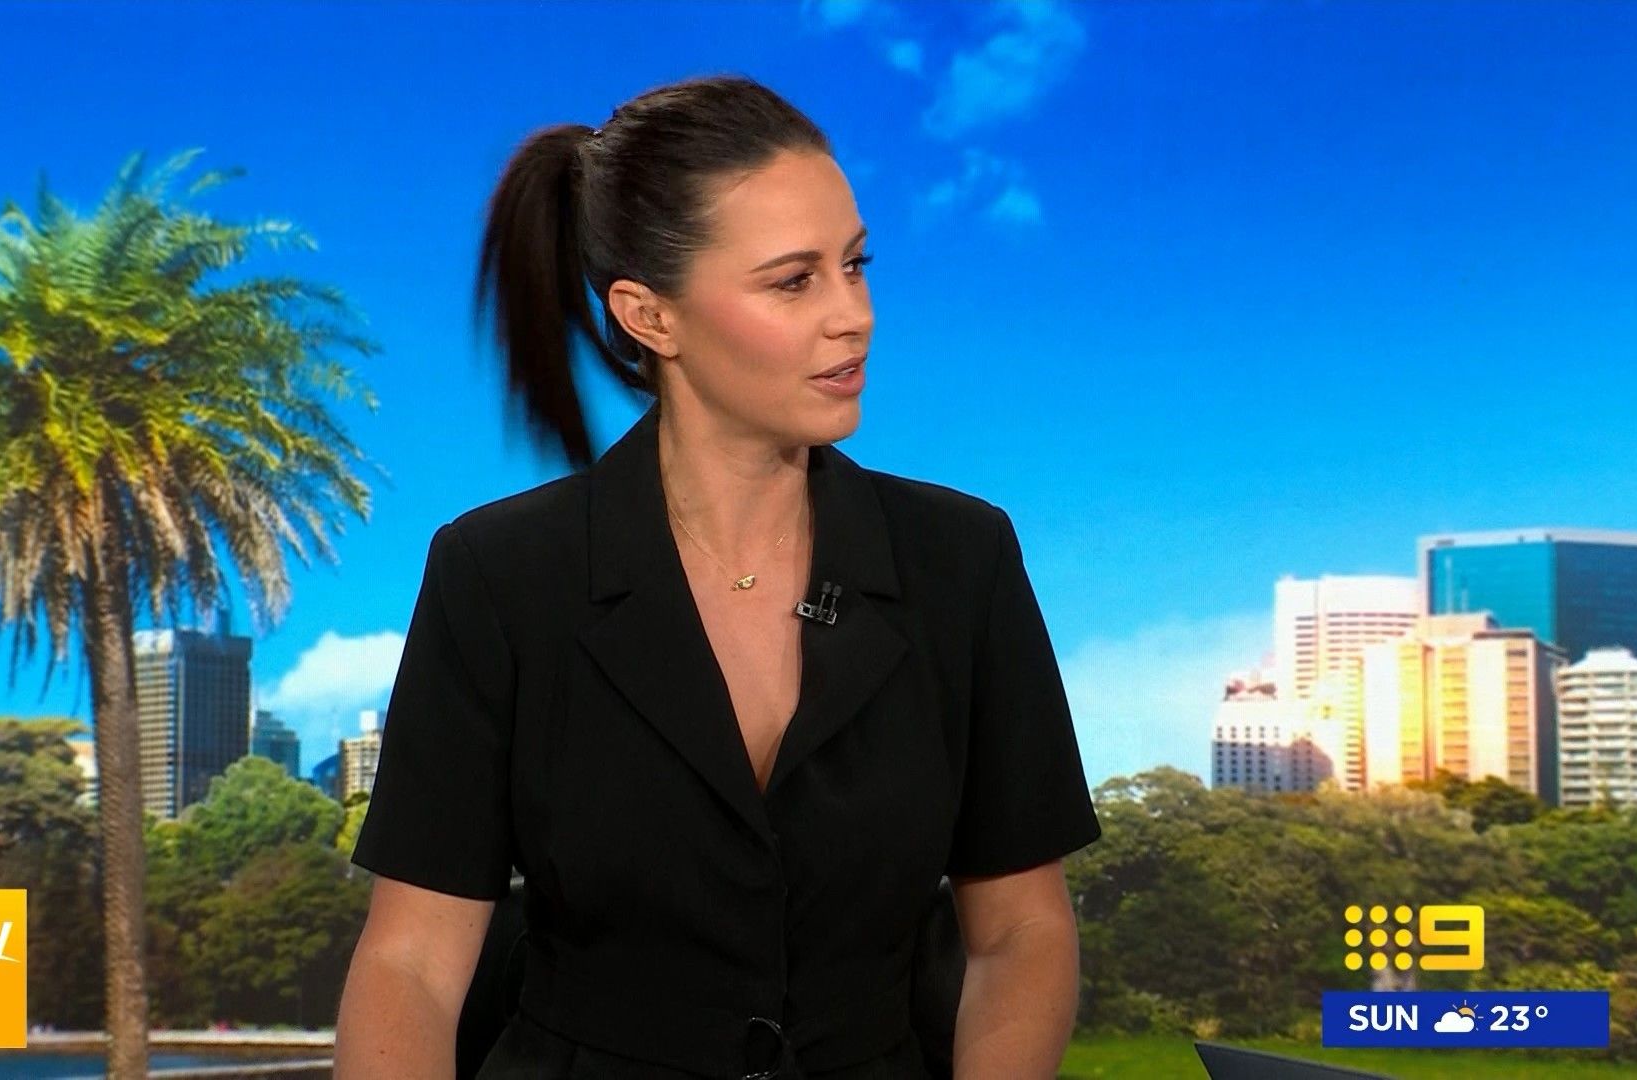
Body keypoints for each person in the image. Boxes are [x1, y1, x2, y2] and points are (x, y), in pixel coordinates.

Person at [333, 74, 1102, 1080]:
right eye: (793, 282)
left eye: (855, 266)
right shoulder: (500, 576)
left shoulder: (962, 561)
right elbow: (412, 966)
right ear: (650, 316)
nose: (853, 316)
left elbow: (1021, 935)